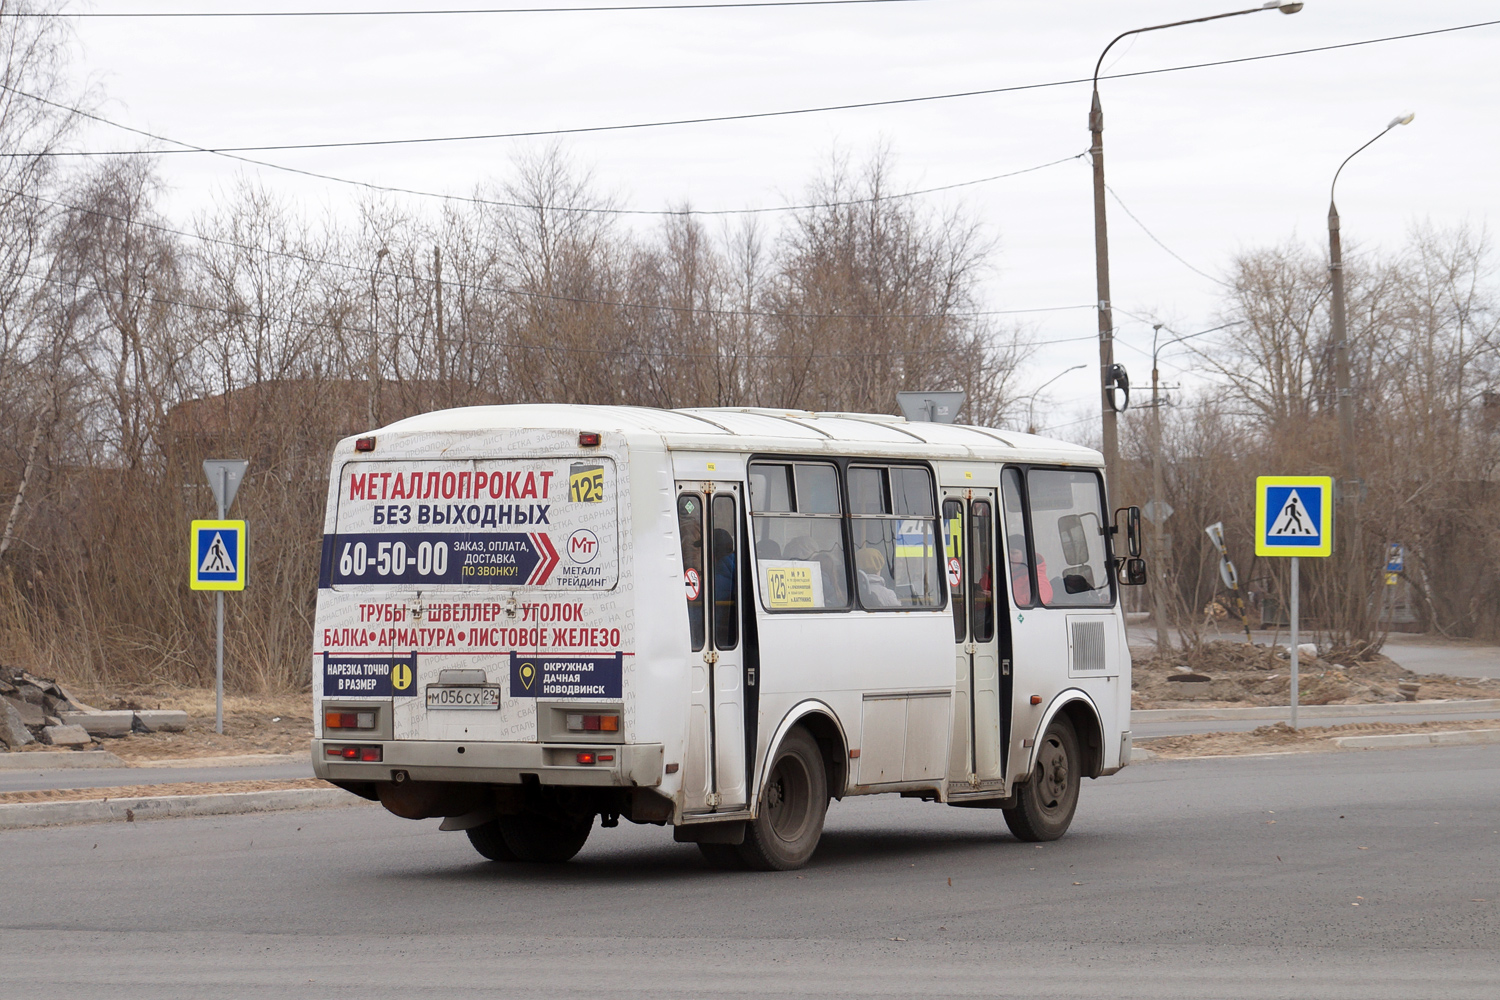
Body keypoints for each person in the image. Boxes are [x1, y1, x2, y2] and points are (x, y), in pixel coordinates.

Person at [1009, 534, 1052, 605]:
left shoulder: (1035, 576)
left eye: (1014, 553)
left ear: (1024, 555)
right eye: (1007, 553)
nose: (1009, 556)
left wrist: (1002, 598)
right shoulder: (1007, 574)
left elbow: (1041, 598)